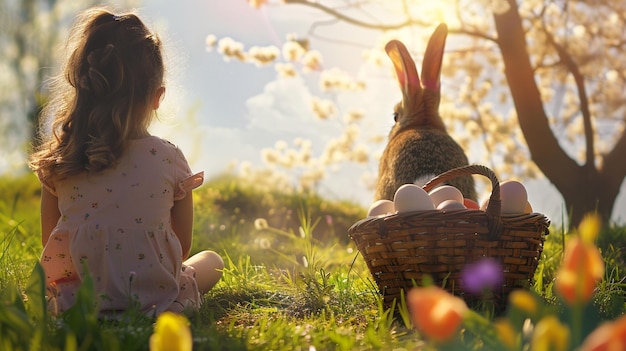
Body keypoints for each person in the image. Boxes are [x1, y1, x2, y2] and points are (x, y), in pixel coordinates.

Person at [28, 7, 223, 316]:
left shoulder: (62, 160)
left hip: (75, 306)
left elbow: (49, 240)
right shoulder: (168, 157)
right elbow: (181, 246)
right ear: (157, 96)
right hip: (155, 302)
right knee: (212, 260)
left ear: (82, 88)